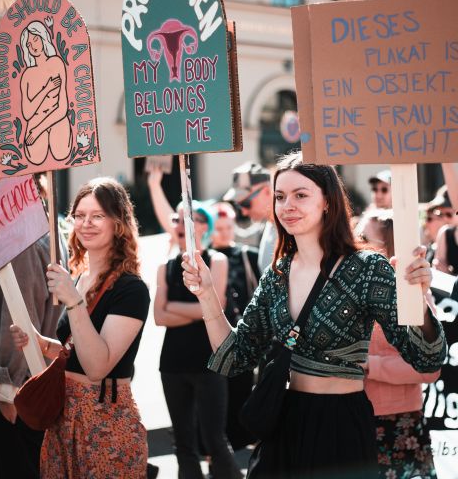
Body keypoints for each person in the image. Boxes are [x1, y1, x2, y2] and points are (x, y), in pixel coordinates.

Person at [182, 151, 446, 479]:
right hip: (285, 422)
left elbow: (426, 358)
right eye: (280, 196)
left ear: (328, 202)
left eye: (301, 195)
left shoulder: (365, 268)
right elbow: (235, 356)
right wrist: (206, 294)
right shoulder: (278, 273)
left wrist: (417, 298)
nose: (287, 205)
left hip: (341, 426)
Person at [11, 177, 150, 478]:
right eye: (80, 215)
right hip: (63, 415)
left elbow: (97, 366)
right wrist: (39, 342)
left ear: (118, 222)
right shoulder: (79, 278)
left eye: (98, 215)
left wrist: (73, 302)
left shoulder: (131, 289)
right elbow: (75, 349)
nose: (86, 223)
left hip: (106, 420)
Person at [151, 183, 242, 477]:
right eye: (176, 219)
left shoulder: (217, 260)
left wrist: (177, 307)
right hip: (173, 363)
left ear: (205, 225)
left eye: (187, 218)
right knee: (184, 442)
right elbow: (158, 317)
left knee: (214, 438)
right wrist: (197, 309)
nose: (179, 224)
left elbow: (215, 306)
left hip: (209, 362)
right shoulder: (165, 266)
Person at [358, 210, 439, 478]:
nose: (354, 243)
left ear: (389, 247)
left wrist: (371, 365)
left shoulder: (412, 292)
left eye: (363, 237)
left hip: (400, 423)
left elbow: (428, 369)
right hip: (352, 417)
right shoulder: (350, 287)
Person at [0, 233, 62, 479]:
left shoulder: (22, 244)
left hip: (20, 391)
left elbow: (20, 322)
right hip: (32, 387)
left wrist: (8, 389)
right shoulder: (47, 235)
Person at [211, 201, 260, 450]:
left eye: (228, 226)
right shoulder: (205, 256)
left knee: (242, 389)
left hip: (245, 335)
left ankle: (241, 441)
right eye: (218, 227)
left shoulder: (247, 255)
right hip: (214, 336)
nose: (224, 232)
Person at [20, 18, 72, 165]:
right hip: (35, 122)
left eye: (35, 39)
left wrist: (37, 130)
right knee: (36, 158)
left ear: (43, 38)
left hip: (57, 120)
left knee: (61, 153)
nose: (33, 46)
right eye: (29, 44)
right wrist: (46, 89)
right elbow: (27, 113)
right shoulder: (27, 75)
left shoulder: (56, 63)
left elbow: (62, 108)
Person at [223, 162, 274, 273]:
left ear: (266, 191)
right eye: (238, 205)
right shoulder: (269, 224)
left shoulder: (290, 228)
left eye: (245, 203)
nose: (244, 212)